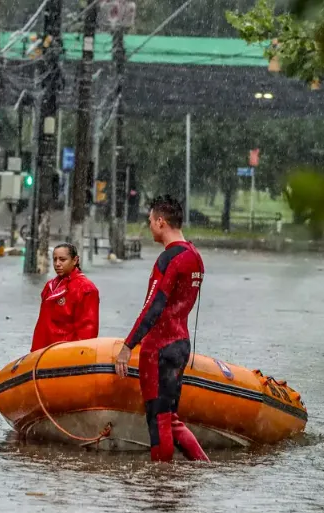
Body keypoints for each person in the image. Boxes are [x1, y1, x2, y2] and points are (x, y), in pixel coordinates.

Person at [114, 194, 210, 463]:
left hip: (159, 348)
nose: (149, 227)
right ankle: (203, 467)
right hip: (181, 345)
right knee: (170, 417)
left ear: (160, 222)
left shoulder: (169, 259)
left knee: (158, 419)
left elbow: (152, 307)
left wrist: (128, 345)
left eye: (150, 222)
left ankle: (160, 483)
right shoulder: (195, 256)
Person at [30, 243, 100, 352]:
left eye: (62, 260)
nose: (57, 264)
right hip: (42, 352)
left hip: (65, 355)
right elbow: (42, 325)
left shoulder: (86, 289)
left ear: (75, 260)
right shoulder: (50, 286)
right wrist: (34, 352)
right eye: (55, 260)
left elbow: (88, 331)